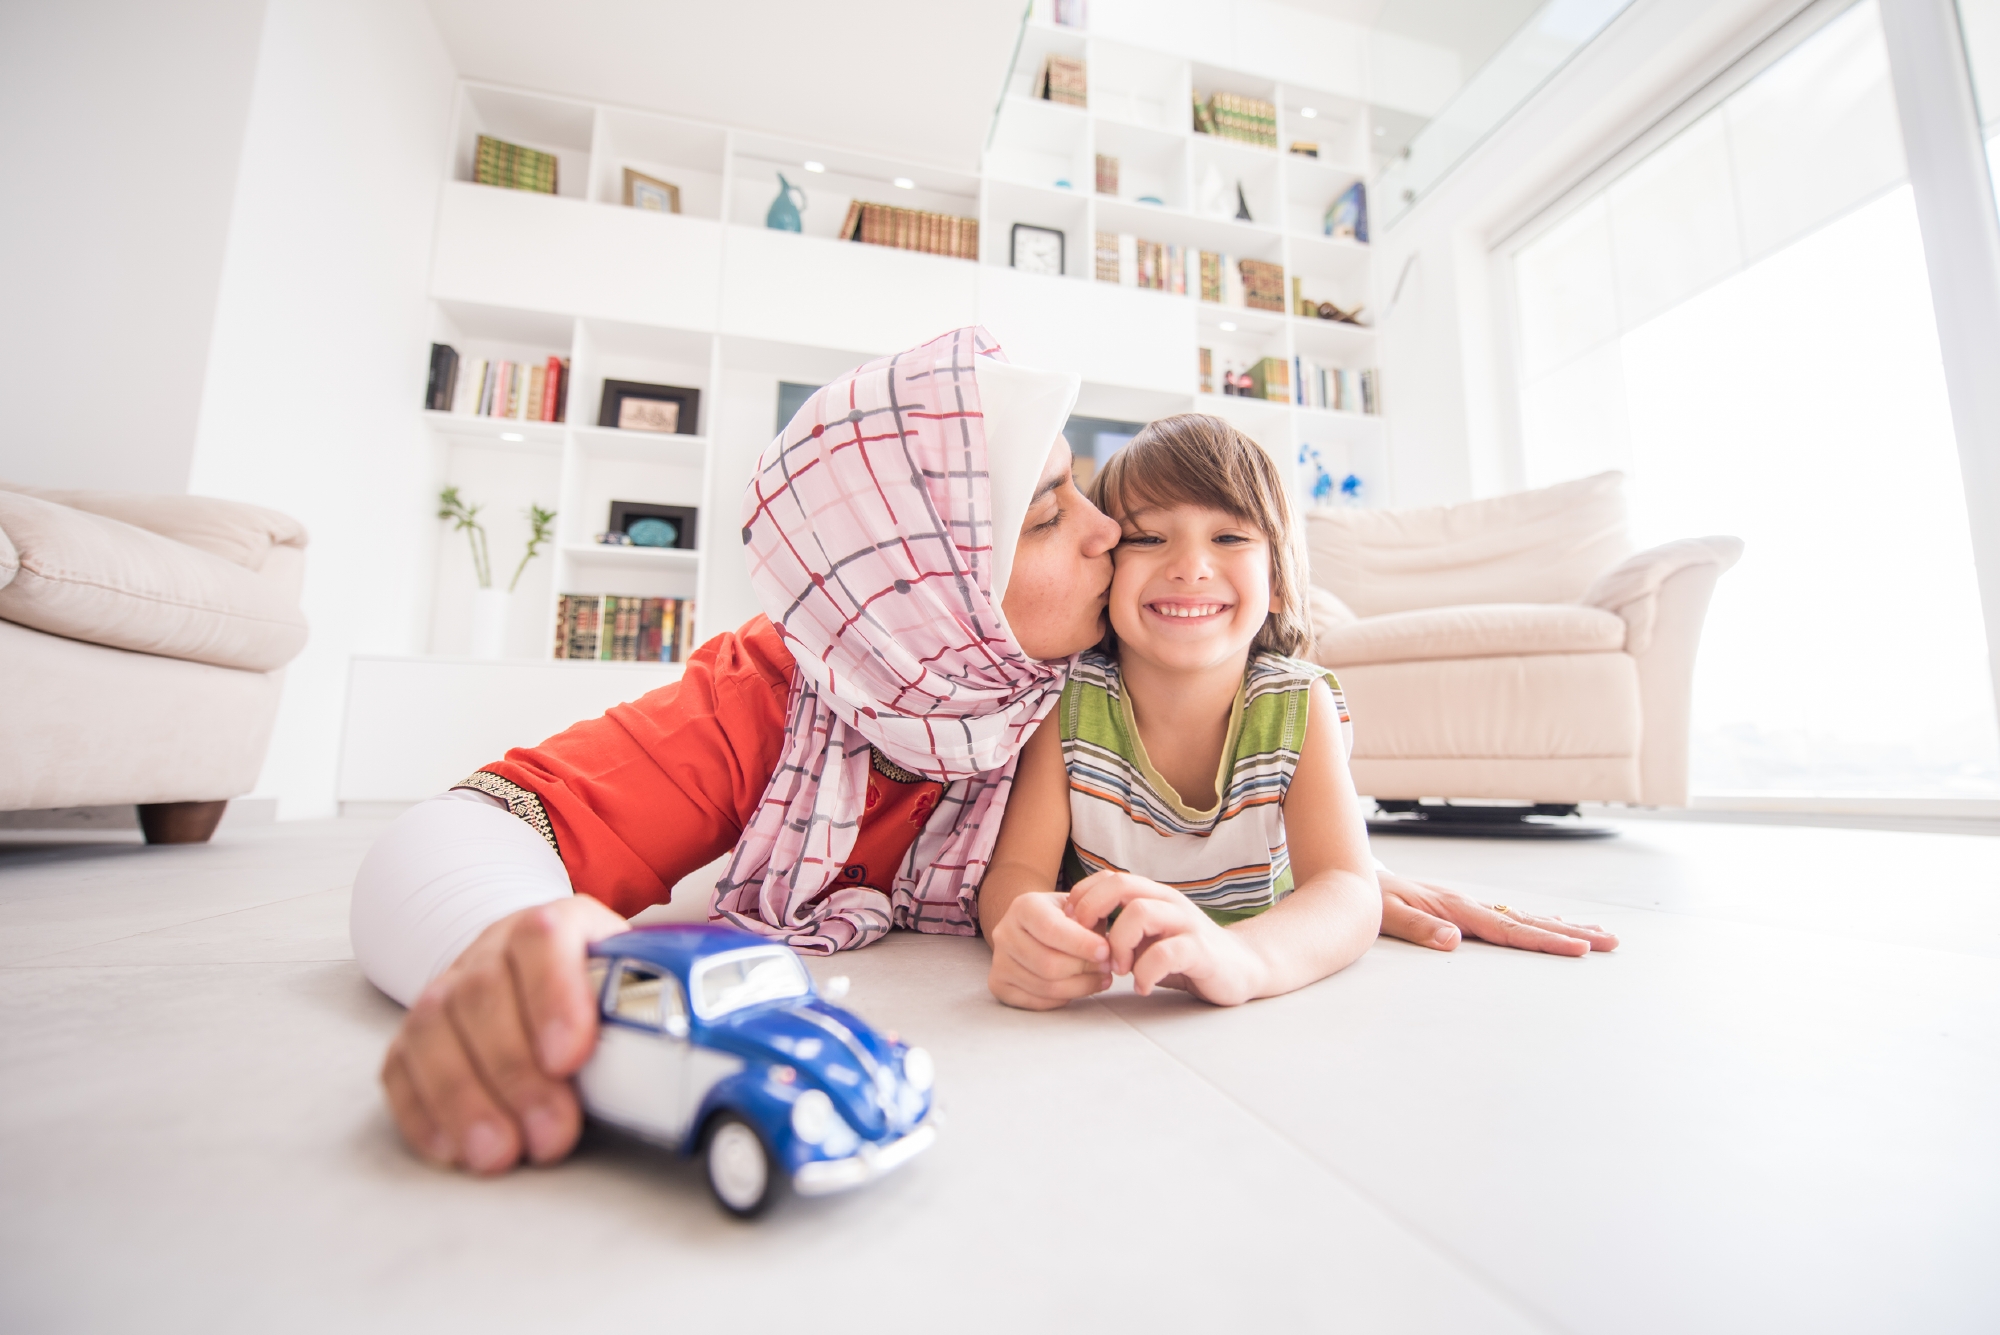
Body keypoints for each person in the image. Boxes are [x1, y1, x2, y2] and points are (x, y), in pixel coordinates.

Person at [351, 328, 1614, 1177]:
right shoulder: (780, 694)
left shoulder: (1079, 685)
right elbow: (460, 834)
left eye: (1083, 497)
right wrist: (515, 952)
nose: (1112, 533)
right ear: (926, 569)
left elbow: (1190, 816)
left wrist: (1327, 887)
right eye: (1049, 510)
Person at [979, 413, 1379, 1008]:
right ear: (1107, 571)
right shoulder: (1069, 701)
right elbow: (1016, 869)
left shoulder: (1300, 704)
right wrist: (1023, 927)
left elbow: (1347, 888)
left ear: (1276, 581)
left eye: (1229, 538)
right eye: (1146, 538)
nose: (1190, 566)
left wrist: (1244, 957)